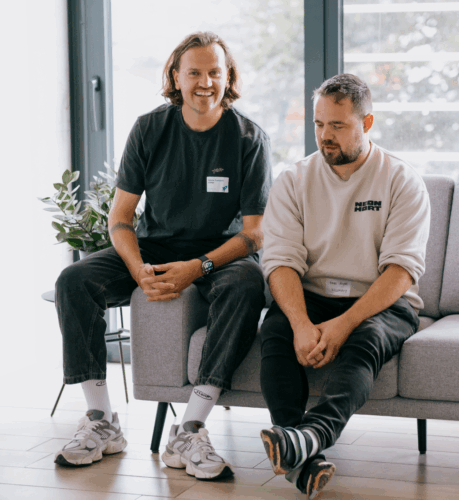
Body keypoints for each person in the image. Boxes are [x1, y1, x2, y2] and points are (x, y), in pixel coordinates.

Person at [53, 32, 272, 481]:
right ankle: (102, 421)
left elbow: (255, 233)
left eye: (215, 72)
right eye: (194, 73)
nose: (205, 82)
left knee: (249, 285)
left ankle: (189, 429)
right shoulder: (150, 129)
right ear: (176, 76)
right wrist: (138, 269)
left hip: (221, 253)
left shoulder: (249, 138)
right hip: (155, 247)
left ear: (228, 76)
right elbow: (120, 218)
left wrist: (199, 267)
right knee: (73, 281)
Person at [258, 73, 430, 498]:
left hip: (382, 301)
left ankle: (309, 436)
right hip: (313, 295)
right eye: (319, 124)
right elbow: (280, 261)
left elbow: (401, 270)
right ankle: (302, 453)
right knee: (276, 330)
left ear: (366, 123)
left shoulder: (400, 179)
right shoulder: (293, 180)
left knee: (365, 339)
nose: (325, 135)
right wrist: (300, 323)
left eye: (337, 125)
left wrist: (344, 324)